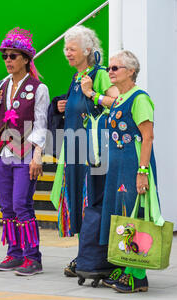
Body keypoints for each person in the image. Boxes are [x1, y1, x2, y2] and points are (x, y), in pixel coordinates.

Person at [50, 25, 118, 277]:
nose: (67, 52)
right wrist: (61, 106)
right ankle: (84, 255)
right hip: (74, 151)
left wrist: (92, 93)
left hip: (93, 154)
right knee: (77, 203)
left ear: (87, 50)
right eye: (65, 48)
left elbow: (116, 102)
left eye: (72, 48)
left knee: (90, 202)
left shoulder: (99, 75)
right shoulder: (76, 77)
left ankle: (94, 257)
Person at [0, 27, 49, 276]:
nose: (8, 60)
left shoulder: (38, 88)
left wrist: (38, 155)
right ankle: (14, 252)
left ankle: (33, 257)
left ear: (26, 59)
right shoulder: (0, 84)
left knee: (22, 204)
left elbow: (41, 124)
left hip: (25, 153)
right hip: (2, 153)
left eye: (13, 56)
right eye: (5, 56)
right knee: (7, 206)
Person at [93, 50, 160, 293]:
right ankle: (125, 266)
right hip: (117, 165)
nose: (109, 72)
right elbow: (102, 102)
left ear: (131, 71)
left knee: (136, 213)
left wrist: (143, 172)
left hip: (133, 164)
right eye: (109, 68)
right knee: (119, 214)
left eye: (115, 68)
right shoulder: (120, 98)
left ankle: (138, 275)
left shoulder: (140, 98)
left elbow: (148, 136)